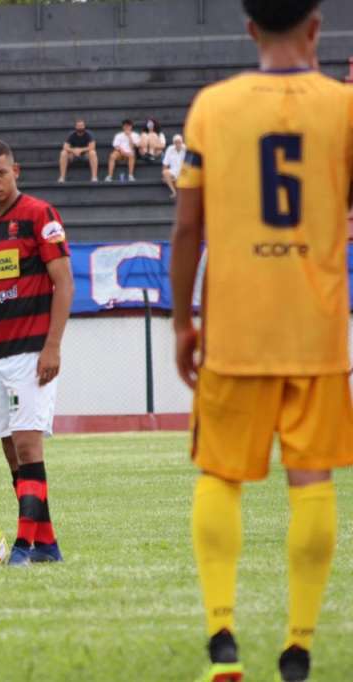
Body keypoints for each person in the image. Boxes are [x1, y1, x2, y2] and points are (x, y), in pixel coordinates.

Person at [169, 2, 352, 680]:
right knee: (312, 482)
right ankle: (299, 646)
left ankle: (222, 637)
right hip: (316, 327)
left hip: (234, 328)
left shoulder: (213, 106)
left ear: (249, 28)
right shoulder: (344, 108)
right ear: (317, 25)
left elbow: (188, 228)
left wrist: (184, 320)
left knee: (220, 476)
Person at [0, 139, 74, 566]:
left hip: (31, 352)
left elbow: (64, 282)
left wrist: (53, 345)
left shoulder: (40, 216)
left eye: (0, 173)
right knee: (10, 450)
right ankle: (47, 544)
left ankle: (23, 546)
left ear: (16, 171)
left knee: (28, 447)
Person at [58, 118, 99, 183]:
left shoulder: (89, 134)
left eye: (81, 126)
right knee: (63, 153)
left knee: (93, 153)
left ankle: (94, 177)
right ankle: (62, 177)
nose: (80, 128)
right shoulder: (72, 134)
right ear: (75, 127)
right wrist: (73, 150)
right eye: (78, 126)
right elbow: (65, 147)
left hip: (86, 155)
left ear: (84, 126)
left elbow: (92, 146)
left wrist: (80, 150)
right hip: (73, 156)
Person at [161, 134, 186, 199]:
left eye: (179, 142)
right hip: (173, 171)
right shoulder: (170, 149)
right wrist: (164, 176)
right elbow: (165, 163)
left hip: (183, 171)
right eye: (176, 142)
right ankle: (174, 192)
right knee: (165, 172)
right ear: (174, 143)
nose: (178, 144)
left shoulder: (186, 148)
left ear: (182, 142)